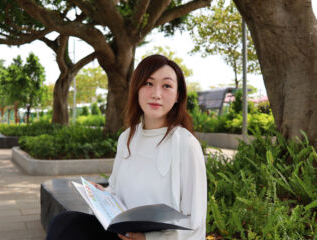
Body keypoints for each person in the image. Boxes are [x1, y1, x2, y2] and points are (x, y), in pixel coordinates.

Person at [46, 54, 207, 240]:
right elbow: (116, 192)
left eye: (167, 86)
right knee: (65, 224)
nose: (156, 94)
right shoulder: (127, 137)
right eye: (148, 83)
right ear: (137, 89)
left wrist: (147, 238)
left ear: (178, 95)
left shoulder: (185, 144)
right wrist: (100, 195)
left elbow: (195, 223)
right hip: (122, 233)